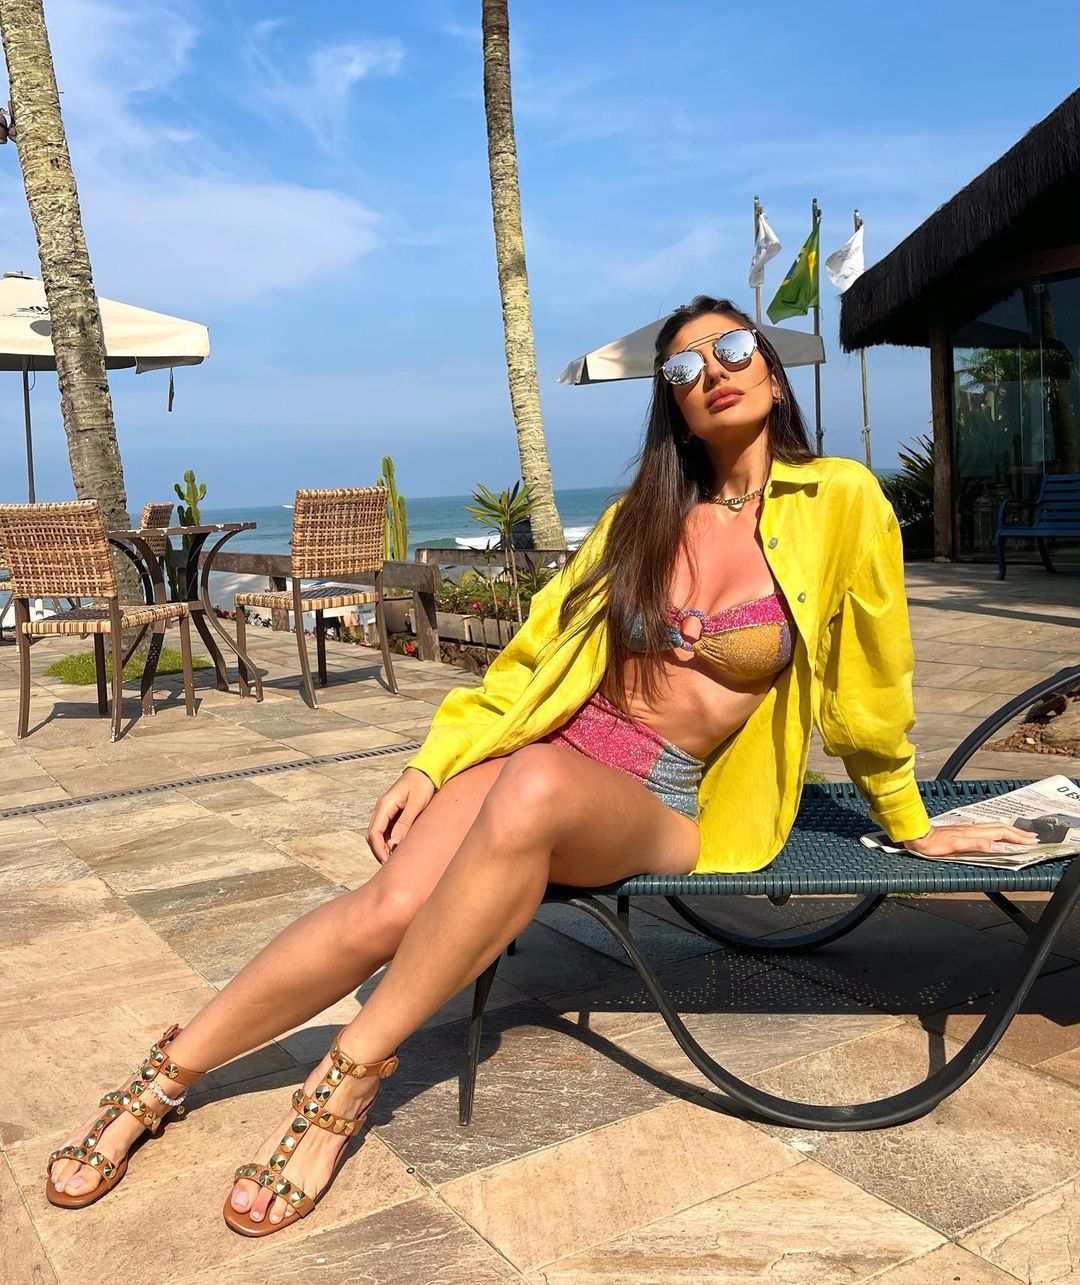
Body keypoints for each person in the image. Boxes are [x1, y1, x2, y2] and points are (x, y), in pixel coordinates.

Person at [45, 295, 1038, 1234]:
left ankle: (345, 1075)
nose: (713, 372)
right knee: (392, 903)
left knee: (535, 783)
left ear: (772, 372)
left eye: (734, 349)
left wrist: (908, 817)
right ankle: (160, 1080)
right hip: (550, 758)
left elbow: (871, 681)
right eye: (683, 368)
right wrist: (431, 766)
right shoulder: (641, 518)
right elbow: (529, 661)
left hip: (657, 798)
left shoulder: (841, 499)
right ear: (674, 405)